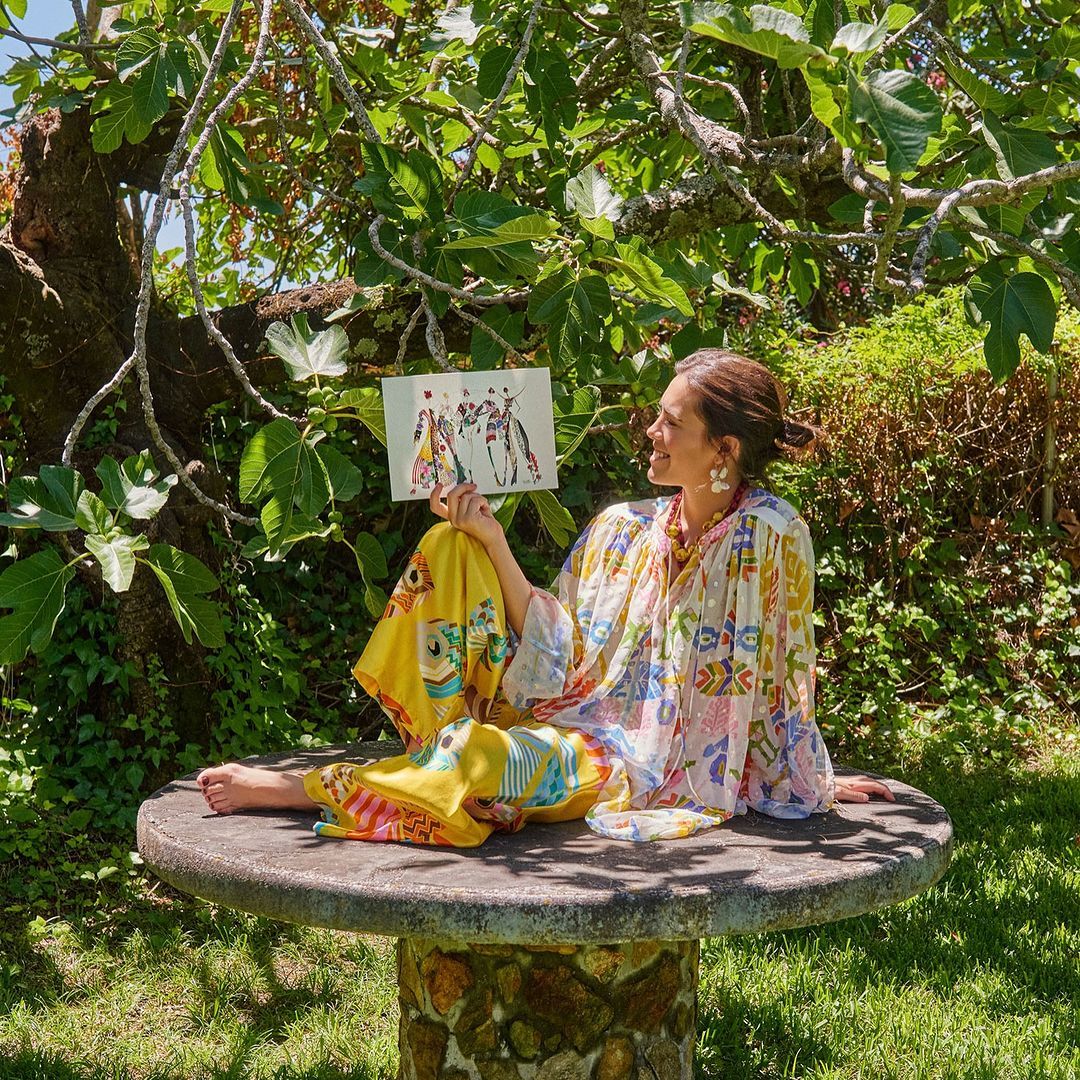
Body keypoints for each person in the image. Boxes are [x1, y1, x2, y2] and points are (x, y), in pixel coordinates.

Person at [197, 349, 893, 844]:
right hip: (564, 713)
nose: (650, 432)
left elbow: (774, 672)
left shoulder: (766, 535)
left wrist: (806, 777)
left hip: (628, 762)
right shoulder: (624, 527)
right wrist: (491, 537)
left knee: (488, 761)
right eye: (657, 416)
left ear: (724, 450)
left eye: (671, 423)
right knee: (450, 546)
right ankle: (431, 751)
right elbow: (560, 643)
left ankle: (313, 788)